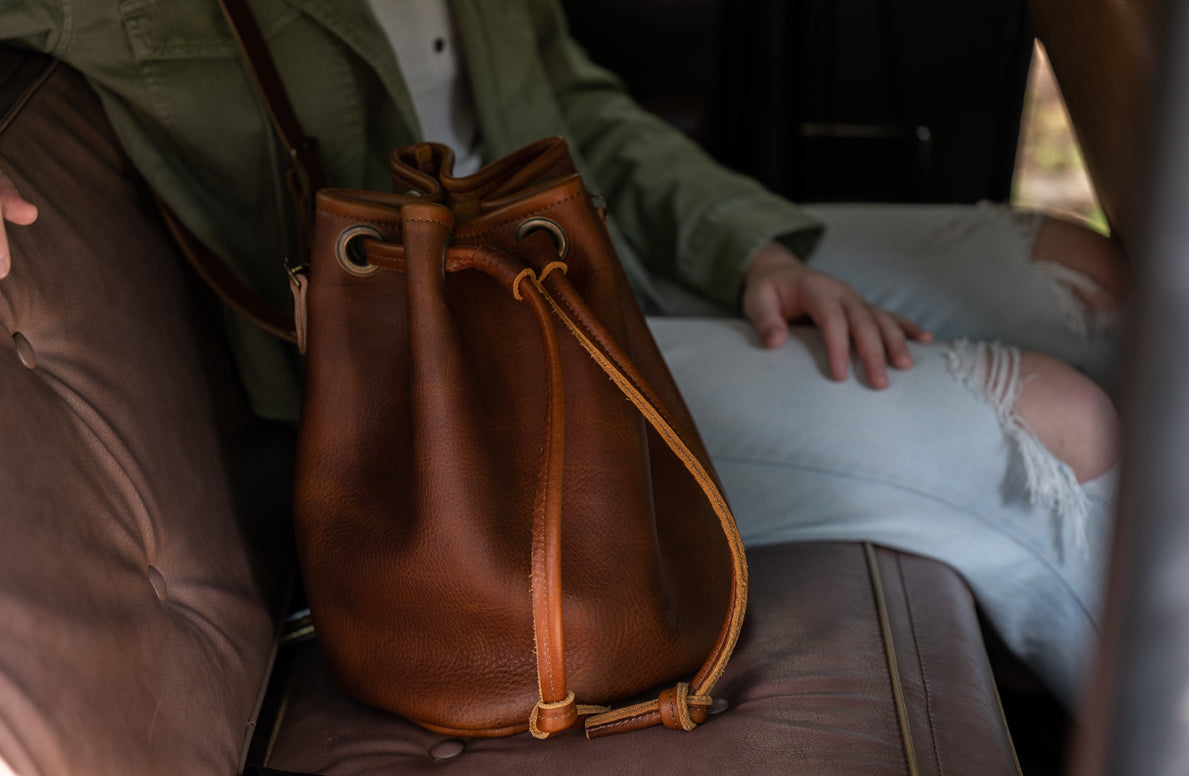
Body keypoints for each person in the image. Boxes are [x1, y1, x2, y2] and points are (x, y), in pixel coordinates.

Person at [0, 0, 1122, 707]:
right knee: (1056, 430)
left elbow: (569, 98)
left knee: (1083, 276)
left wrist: (750, 249)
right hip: (435, 384)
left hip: (580, 241)